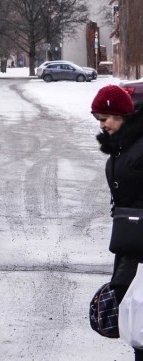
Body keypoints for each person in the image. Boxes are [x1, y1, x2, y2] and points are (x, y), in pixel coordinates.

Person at [92, 84, 143, 359]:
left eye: (106, 118)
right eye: (98, 120)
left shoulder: (137, 149)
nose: (102, 125)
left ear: (123, 114)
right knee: (138, 323)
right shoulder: (122, 147)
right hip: (131, 244)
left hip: (139, 248)